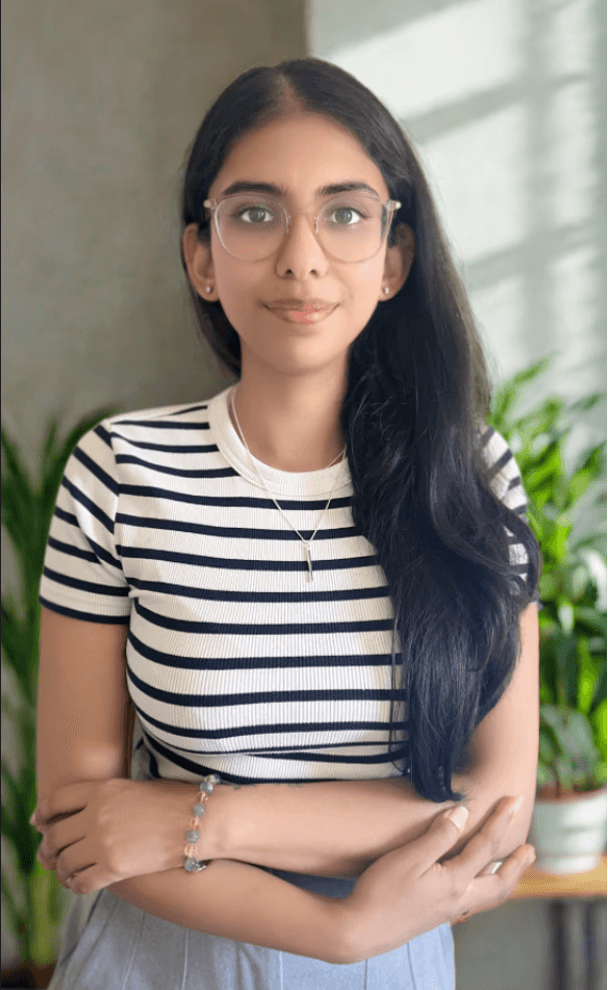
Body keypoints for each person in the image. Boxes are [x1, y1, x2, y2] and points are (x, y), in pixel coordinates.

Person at [33, 57, 540, 989]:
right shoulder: (121, 470)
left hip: (396, 962)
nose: (302, 257)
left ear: (395, 258)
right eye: (255, 214)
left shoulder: (472, 478)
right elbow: (81, 820)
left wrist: (197, 819)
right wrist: (336, 929)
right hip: (163, 963)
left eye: (345, 214)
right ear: (201, 254)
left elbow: (498, 811)